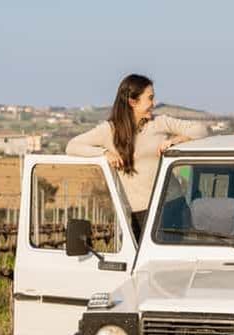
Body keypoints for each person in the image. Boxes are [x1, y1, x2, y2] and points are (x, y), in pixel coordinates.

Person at [66, 73, 208, 239]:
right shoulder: (109, 130)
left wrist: (177, 140)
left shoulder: (160, 122)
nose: (153, 104)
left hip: (173, 205)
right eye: (149, 98)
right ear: (133, 102)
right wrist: (104, 153)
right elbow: (72, 146)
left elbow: (201, 130)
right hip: (141, 213)